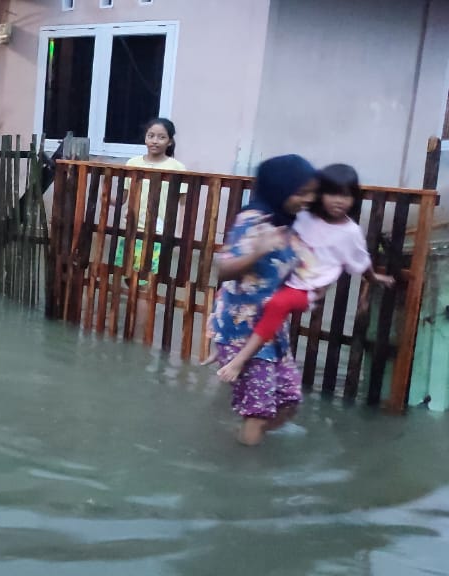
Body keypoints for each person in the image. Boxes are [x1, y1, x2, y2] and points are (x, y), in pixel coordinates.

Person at [215, 164, 395, 383]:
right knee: (253, 299)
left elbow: (362, 260)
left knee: (277, 305)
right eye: (331, 194)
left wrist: (374, 278)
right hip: (289, 280)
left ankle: (239, 360)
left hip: (308, 289)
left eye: (346, 196)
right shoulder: (304, 217)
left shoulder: (351, 232)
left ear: (354, 198)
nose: (339, 201)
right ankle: (224, 345)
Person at [207, 154, 317, 446]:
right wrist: (258, 250)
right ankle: (244, 469)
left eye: (311, 193)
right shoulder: (253, 221)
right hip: (241, 330)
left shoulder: (291, 224)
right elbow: (224, 269)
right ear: (281, 188)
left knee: (289, 399)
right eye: (301, 192)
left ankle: (241, 439)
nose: (308, 199)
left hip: (270, 328)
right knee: (257, 410)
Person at [115, 118, 186, 338]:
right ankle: (119, 328)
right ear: (145, 138)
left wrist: (175, 233)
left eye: (161, 137)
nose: (155, 141)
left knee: (146, 287)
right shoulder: (133, 162)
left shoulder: (176, 168)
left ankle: (137, 336)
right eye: (151, 135)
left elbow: (182, 204)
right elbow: (122, 197)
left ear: (170, 141)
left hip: (156, 235)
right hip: (131, 230)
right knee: (125, 278)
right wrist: (107, 196)